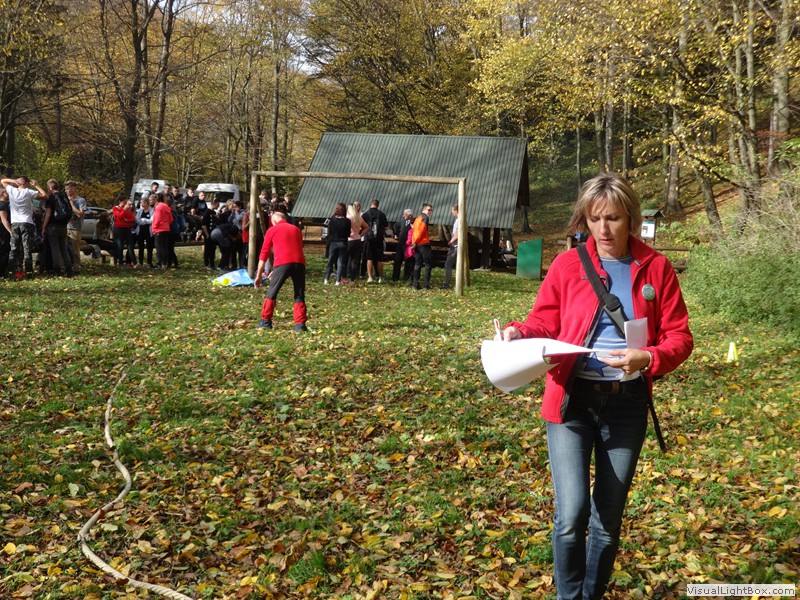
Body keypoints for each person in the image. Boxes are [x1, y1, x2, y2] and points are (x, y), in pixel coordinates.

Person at [499, 173, 693, 600]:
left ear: (631, 218)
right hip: (572, 402)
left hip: (626, 404)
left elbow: (680, 337)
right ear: (584, 219)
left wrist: (649, 358)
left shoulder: (656, 268)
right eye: (594, 218)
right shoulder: (568, 266)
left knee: (608, 518)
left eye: (614, 218)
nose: (603, 229)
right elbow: (544, 320)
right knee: (571, 514)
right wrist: (519, 332)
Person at [254, 211, 307, 332]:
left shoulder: (272, 230)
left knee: (272, 292)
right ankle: (300, 324)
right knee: (299, 293)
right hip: (299, 263)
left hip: (282, 263)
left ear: (273, 221)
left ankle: (265, 321)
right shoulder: (296, 229)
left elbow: (264, 253)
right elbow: (296, 247)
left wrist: (259, 275)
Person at [1, 176, 47, 278]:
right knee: (27, 248)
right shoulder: (28, 192)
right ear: (26, 183)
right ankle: (29, 273)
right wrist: (37, 185)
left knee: (14, 249)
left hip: (15, 223)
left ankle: (11, 273)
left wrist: (14, 181)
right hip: (27, 223)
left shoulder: (12, 190)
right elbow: (45, 196)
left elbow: (2, 181)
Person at [41, 180, 73, 276]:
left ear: (50, 187)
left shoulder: (51, 198)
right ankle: (69, 269)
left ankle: (57, 270)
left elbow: (48, 214)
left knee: (55, 248)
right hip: (63, 226)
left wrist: (43, 227)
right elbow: (69, 212)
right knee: (63, 248)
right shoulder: (64, 196)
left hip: (52, 226)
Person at [323, 202, 351, 285]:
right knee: (340, 262)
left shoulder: (332, 219)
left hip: (333, 242)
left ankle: (326, 279)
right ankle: (338, 281)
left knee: (330, 261)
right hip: (343, 242)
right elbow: (348, 234)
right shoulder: (347, 221)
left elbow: (329, 232)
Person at [362, 198, 388, 283]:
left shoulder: (365, 214)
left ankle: (370, 277)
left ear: (371, 204)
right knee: (379, 259)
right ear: (378, 205)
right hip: (379, 239)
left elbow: (361, 226)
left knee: (369, 258)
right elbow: (386, 227)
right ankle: (380, 277)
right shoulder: (381, 214)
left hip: (369, 239)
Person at [65, 181, 86, 273]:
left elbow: (79, 214)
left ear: (73, 189)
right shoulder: (65, 199)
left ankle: (77, 267)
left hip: (75, 228)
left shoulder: (81, 200)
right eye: (65, 189)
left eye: (67, 189)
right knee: (64, 248)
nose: (66, 191)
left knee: (75, 250)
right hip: (65, 228)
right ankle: (66, 266)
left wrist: (71, 203)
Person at [411, 203, 433, 290]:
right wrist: (415, 242)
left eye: (431, 210)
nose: (430, 212)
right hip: (423, 243)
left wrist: (414, 242)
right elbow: (422, 230)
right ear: (424, 210)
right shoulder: (425, 218)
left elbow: (414, 231)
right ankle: (425, 285)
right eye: (429, 210)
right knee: (428, 264)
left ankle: (415, 284)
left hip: (417, 244)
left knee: (417, 264)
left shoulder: (417, 218)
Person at [111, 193, 137, 268]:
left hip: (127, 229)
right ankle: (120, 263)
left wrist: (126, 220)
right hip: (119, 229)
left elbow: (132, 219)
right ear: (120, 201)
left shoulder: (129, 209)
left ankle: (135, 263)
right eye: (124, 202)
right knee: (120, 246)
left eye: (126, 202)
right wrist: (124, 210)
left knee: (130, 245)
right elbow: (119, 216)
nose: (126, 204)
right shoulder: (116, 208)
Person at [150, 193, 173, 268]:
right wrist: (166, 224)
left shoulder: (158, 207)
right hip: (166, 229)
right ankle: (164, 263)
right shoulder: (166, 206)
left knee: (159, 247)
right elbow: (171, 218)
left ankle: (159, 264)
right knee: (164, 247)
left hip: (159, 229)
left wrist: (154, 227)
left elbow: (157, 218)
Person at [392, 209, 415, 282]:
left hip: (408, 245)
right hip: (401, 243)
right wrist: (396, 233)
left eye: (405, 214)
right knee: (397, 260)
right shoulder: (403, 220)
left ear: (410, 216)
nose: (403, 215)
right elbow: (395, 225)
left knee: (408, 261)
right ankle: (395, 277)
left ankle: (406, 277)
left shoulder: (413, 222)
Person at [346, 202, 367, 280]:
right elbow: (367, 227)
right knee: (355, 259)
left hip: (350, 239)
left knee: (348, 258)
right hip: (357, 239)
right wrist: (360, 235)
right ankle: (354, 275)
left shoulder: (348, 218)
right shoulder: (359, 218)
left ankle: (348, 274)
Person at [440, 203, 459, 289]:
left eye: (452, 210)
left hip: (455, 246)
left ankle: (446, 284)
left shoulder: (459, 220)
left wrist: (450, 242)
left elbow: (458, 234)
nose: (452, 212)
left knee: (448, 264)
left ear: (456, 211)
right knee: (457, 264)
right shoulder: (460, 220)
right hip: (456, 245)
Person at [135, 197, 155, 268]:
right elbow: (137, 220)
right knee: (141, 248)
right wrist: (144, 222)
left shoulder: (152, 210)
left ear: (146, 203)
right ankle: (140, 263)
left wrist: (143, 220)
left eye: (142, 202)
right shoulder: (140, 211)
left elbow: (151, 220)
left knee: (149, 248)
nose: (140, 203)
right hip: (140, 231)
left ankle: (149, 263)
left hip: (149, 231)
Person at [201, 198, 220, 270]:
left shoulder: (214, 212)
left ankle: (212, 264)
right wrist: (207, 234)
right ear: (214, 203)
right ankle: (206, 264)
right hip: (208, 234)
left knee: (213, 249)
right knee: (207, 249)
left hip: (213, 234)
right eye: (217, 204)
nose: (218, 206)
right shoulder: (207, 212)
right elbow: (204, 225)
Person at [0, 191, 12, 278]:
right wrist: (10, 231)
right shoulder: (2, 205)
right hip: (3, 231)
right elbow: (4, 219)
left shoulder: (6, 204)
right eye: (6, 193)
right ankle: (1, 273)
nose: (8, 194)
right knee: (3, 252)